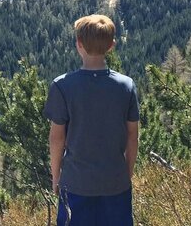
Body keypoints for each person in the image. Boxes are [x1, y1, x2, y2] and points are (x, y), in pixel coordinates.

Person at [43, 14, 140, 226]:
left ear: (79, 44)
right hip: (116, 182)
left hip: (76, 184)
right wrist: (127, 173)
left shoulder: (62, 86)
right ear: (112, 46)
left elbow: (56, 138)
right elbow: (133, 136)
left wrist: (56, 176)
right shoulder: (126, 86)